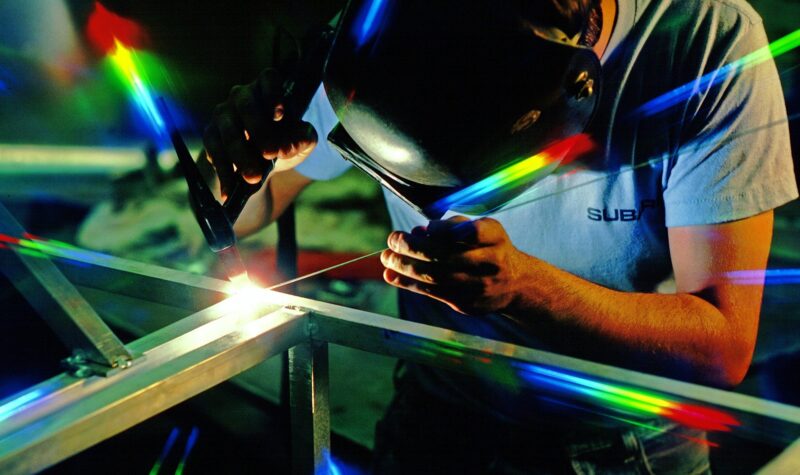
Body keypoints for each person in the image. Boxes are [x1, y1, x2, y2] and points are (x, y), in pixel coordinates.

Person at [203, 0, 798, 472]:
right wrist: (240, 160)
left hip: (620, 441)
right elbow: (253, 211)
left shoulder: (707, 45)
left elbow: (722, 348)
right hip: (436, 416)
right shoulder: (388, 30)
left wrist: (526, 290)